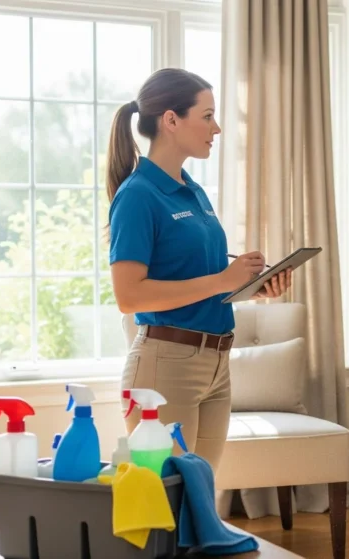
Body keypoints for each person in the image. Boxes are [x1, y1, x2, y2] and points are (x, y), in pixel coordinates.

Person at [106, 68, 293, 474]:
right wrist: (223, 280)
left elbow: (200, 280)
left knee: (199, 500)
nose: (218, 128)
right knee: (164, 503)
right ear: (171, 120)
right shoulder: (138, 196)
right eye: (207, 116)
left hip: (216, 365)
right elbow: (129, 296)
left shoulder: (193, 190)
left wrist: (248, 286)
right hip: (165, 365)